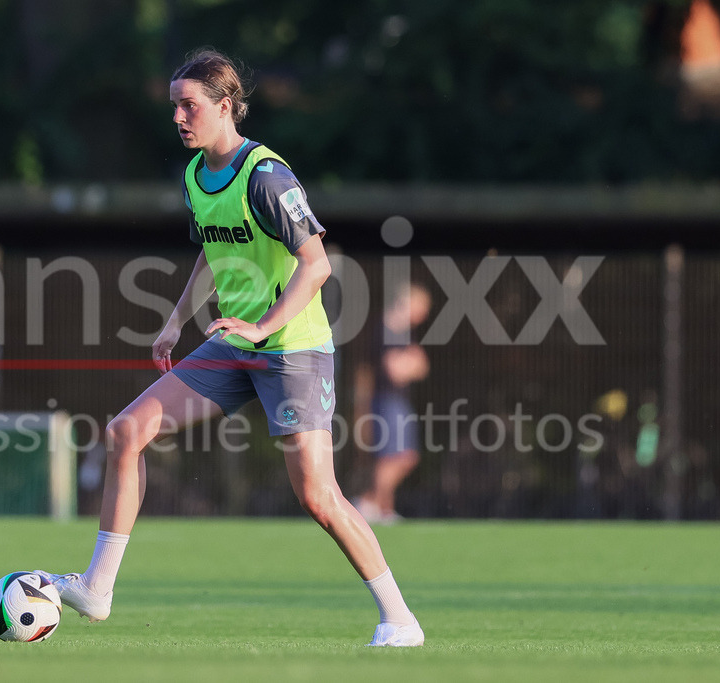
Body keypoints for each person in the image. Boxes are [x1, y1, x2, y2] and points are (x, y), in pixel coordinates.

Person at [35, 48, 424, 647]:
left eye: (188, 105)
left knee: (318, 497)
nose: (178, 118)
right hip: (235, 343)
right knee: (125, 432)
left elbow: (316, 265)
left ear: (225, 106)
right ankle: (97, 589)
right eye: (173, 107)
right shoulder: (195, 176)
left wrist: (263, 327)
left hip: (293, 348)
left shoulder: (266, 174)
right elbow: (213, 251)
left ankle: (400, 619)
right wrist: (174, 320)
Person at [353, 284, 432, 524]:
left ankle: (377, 505)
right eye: (422, 308)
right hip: (387, 400)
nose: (424, 314)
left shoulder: (403, 332)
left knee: (405, 456)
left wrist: (411, 363)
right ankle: (376, 506)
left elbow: (422, 366)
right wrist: (411, 363)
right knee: (390, 457)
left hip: (399, 400)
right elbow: (396, 371)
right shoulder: (388, 329)